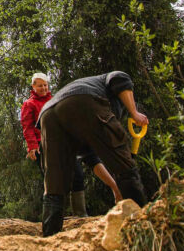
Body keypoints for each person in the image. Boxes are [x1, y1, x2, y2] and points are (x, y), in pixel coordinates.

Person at [38, 71, 149, 236]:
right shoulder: (105, 82)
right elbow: (120, 78)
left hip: (47, 114)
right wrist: (134, 113)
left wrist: (115, 188)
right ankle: (143, 227)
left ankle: (49, 235)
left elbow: (92, 160)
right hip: (81, 100)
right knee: (125, 167)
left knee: (55, 182)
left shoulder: (89, 125)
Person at [20, 72, 122, 216]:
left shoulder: (55, 100)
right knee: (53, 180)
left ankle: (80, 213)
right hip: (44, 145)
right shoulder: (29, 104)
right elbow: (27, 126)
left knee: (78, 175)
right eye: (40, 85)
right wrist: (32, 146)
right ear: (33, 86)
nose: (43, 88)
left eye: (45, 85)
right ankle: (54, 215)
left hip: (65, 142)